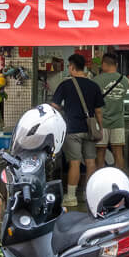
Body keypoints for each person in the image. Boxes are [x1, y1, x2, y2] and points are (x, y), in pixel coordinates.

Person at [50, 53, 105, 208]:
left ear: (72, 67)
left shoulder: (65, 85)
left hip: (72, 129)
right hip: (89, 129)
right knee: (90, 162)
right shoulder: (93, 86)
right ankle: (90, 195)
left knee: (74, 163)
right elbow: (99, 111)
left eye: (69, 66)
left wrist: (64, 108)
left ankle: (71, 196)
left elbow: (54, 105)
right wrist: (100, 129)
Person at [93, 53, 127, 170]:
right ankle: (120, 182)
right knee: (118, 153)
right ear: (116, 64)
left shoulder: (96, 80)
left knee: (100, 154)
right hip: (118, 122)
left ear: (104, 64)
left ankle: (101, 183)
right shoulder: (125, 80)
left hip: (101, 122)